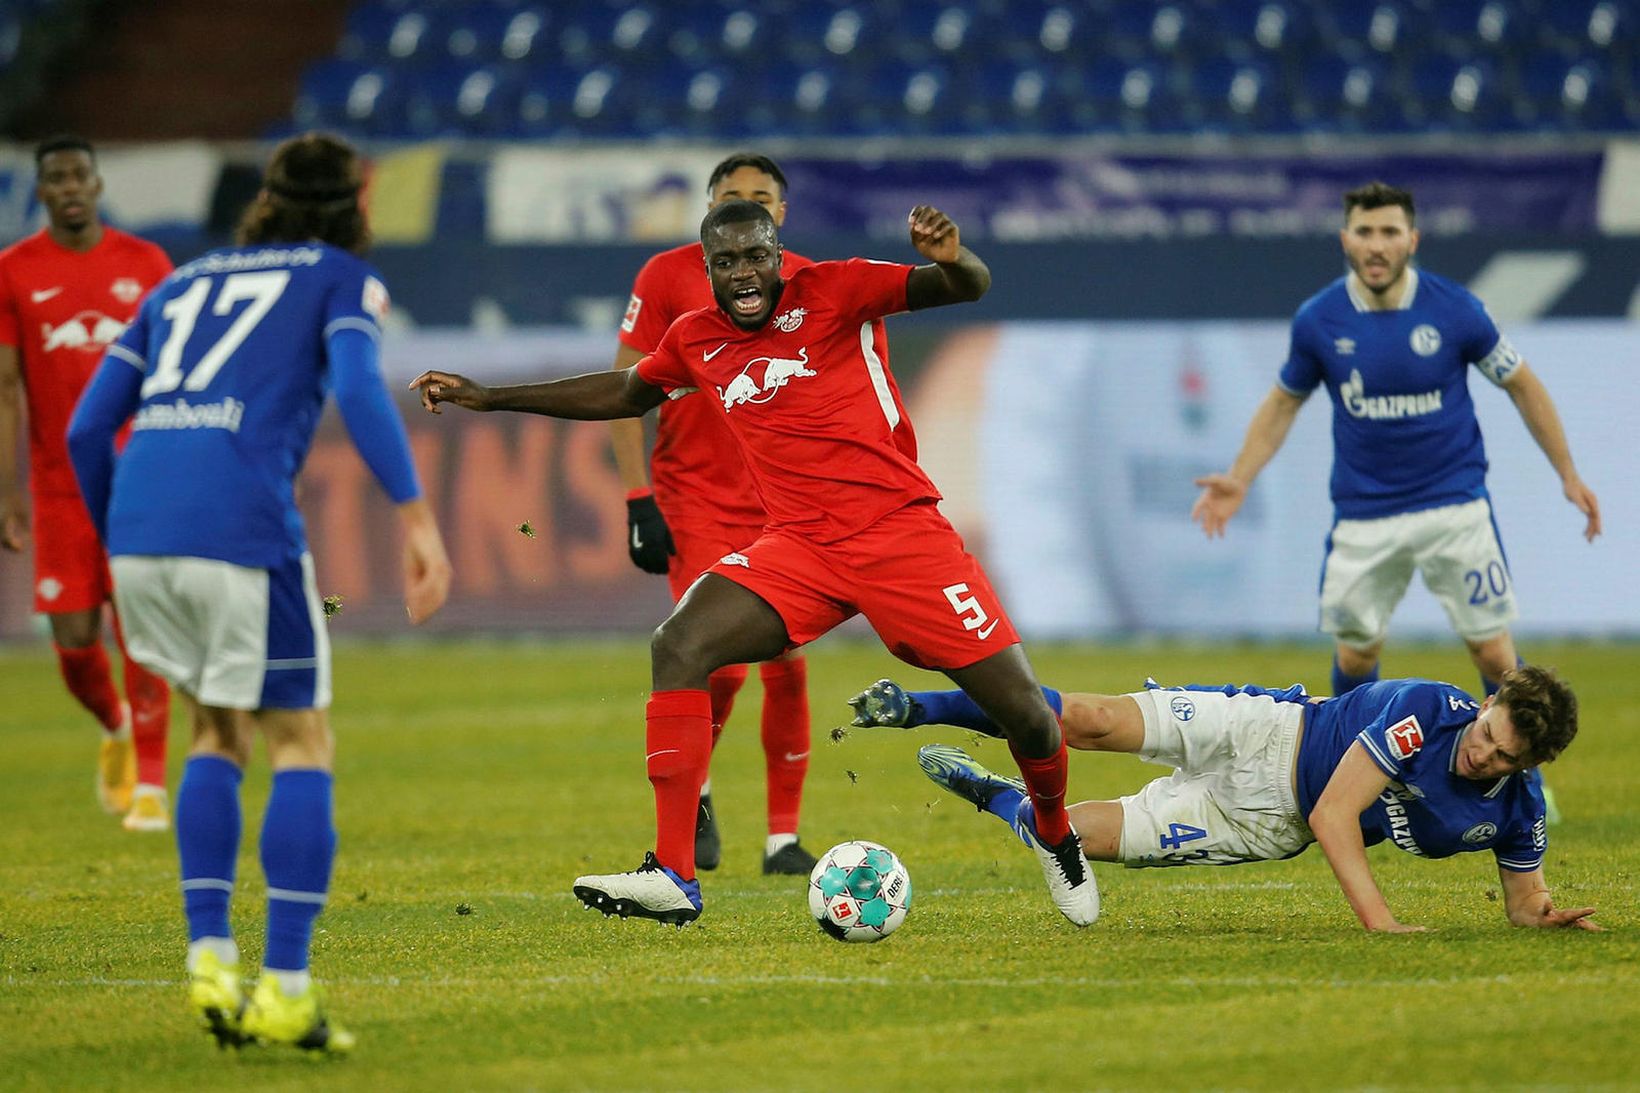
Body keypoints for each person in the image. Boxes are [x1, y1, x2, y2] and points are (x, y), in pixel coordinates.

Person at [411, 201, 1099, 928]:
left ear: (779, 256)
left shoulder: (838, 289)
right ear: (706, 269)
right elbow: (623, 392)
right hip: (800, 545)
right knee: (679, 645)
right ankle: (674, 872)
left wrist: (954, 257)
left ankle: (1054, 832)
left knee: (1027, 718)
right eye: (726, 261)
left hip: (901, 538)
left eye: (755, 257)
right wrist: (490, 397)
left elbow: (966, 288)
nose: (744, 273)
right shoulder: (695, 338)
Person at [67, 132, 452, 1053]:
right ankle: (282, 984)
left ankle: (208, 955)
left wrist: (120, 526)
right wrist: (416, 517)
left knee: (214, 731)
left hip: (142, 531)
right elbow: (360, 387)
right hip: (240, 530)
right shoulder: (336, 278)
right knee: (301, 739)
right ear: (355, 205)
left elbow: (88, 427)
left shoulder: (181, 283)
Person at [1191, 182, 1601, 711]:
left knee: (1493, 652)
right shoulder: (1320, 319)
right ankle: (1354, 772)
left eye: (1390, 232)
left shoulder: (1456, 310)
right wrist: (1240, 477)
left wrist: (1567, 473)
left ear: (1412, 239)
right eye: (1365, 232)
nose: (1376, 245)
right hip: (1364, 514)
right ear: (1345, 239)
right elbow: (1283, 402)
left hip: (1454, 505)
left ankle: (1522, 783)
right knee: (1357, 656)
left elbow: (1521, 383)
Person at [848, 666, 1598, 932]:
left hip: (1260, 824)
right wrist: (1383, 923)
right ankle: (916, 705)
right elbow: (1335, 813)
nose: (1482, 750)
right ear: (1490, 702)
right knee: (1089, 720)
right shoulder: (1429, 712)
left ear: (1531, 764)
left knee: (1074, 837)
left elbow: (1522, 900)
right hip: (1266, 732)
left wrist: (1543, 916)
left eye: (1504, 754)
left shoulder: (1516, 811)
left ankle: (1003, 798)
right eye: (1489, 729)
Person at [611, 153, 831, 876]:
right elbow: (623, 387)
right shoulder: (666, 276)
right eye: (729, 196)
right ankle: (696, 791)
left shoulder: (805, 282)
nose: (744, 205)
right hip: (695, 496)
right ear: (707, 206)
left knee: (788, 662)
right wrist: (639, 500)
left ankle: (781, 841)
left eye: (759, 197)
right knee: (722, 660)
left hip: (781, 497)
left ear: (782, 213)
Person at [0, 136, 175, 831]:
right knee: (75, 642)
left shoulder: (147, 265)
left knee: (143, 632)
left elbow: (175, 372)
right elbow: (7, 388)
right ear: (41, 191)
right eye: (56, 178)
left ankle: (153, 787)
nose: (70, 187)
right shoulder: (15, 271)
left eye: (80, 175)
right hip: (58, 488)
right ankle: (115, 724)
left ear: (97, 185)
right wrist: (9, 490)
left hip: (138, 482)